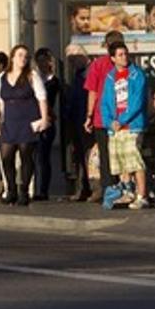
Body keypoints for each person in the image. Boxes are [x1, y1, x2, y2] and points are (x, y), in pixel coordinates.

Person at [0, 44, 50, 206]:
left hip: (27, 120)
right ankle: (11, 189)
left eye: (25, 56)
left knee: (26, 155)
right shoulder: (2, 77)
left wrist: (44, 118)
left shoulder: (32, 76)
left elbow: (41, 97)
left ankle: (24, 190)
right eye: (20, 55)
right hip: (9, 121)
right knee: (6, 155)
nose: (23, 59)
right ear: (12, 58)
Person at [99, 41, 149, 210]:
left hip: (132, 125)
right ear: (112, 58)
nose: (124, 57)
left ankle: (142, 195)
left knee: (135, 161)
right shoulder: (110, 77)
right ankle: (127, 192)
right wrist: (109, 122)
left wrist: (122, 120)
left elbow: (137, 101)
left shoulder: (137, 75)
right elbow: (104, 102)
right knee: (121, 162)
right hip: (115, 127)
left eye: (125, 53)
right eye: (120, 55)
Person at [83, 30, 126, 201]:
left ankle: (109, 189)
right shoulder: (128, 64)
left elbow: (92, 92)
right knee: (123, 155)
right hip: (124, 118)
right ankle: (124, 187)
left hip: (102, 118)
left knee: (106, 155)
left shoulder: (98, 64)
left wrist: (89, 115)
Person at [62, 45, 92, 201]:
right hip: (76, 119)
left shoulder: (89, 72)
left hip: (86, 119)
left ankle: (89, 188)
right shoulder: (77, 74)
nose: (72, 63)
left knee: (88, 155)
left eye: (74, 59)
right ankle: (83, 188)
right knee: (79, 156)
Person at [33, 47, 61, 201]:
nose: (44, 63)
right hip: (32, 121)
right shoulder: (33, 77)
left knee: (43, 156)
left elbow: (47, 97)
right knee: (32, 156)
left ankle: (43, 189)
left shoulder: (53, 80)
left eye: (47, 60)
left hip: (47, 121)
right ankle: (31, 187)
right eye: (41, 60)